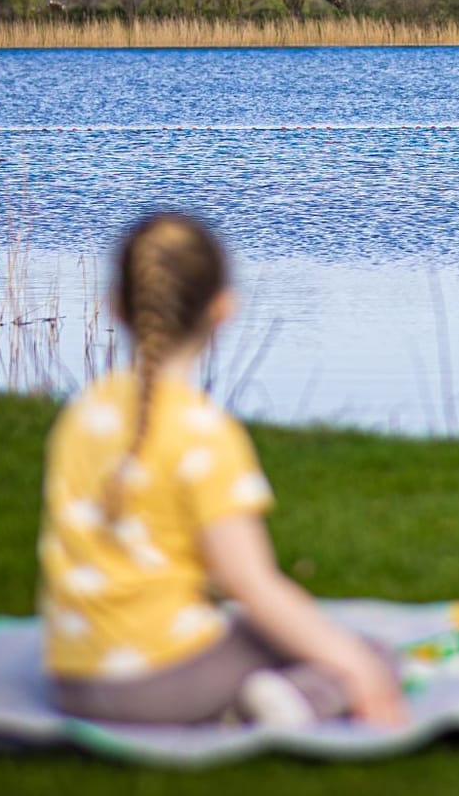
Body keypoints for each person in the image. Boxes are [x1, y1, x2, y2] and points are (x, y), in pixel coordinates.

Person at [37, 213, 406, 728]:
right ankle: (286, 702)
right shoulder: (204, 433)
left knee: (288, 640)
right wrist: (356, 664)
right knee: (366, 655)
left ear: (116, 307)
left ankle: (261, 695)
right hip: (158, 685)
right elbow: (251, 585)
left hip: (71, 679)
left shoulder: (82, 415)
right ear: (223, 308)